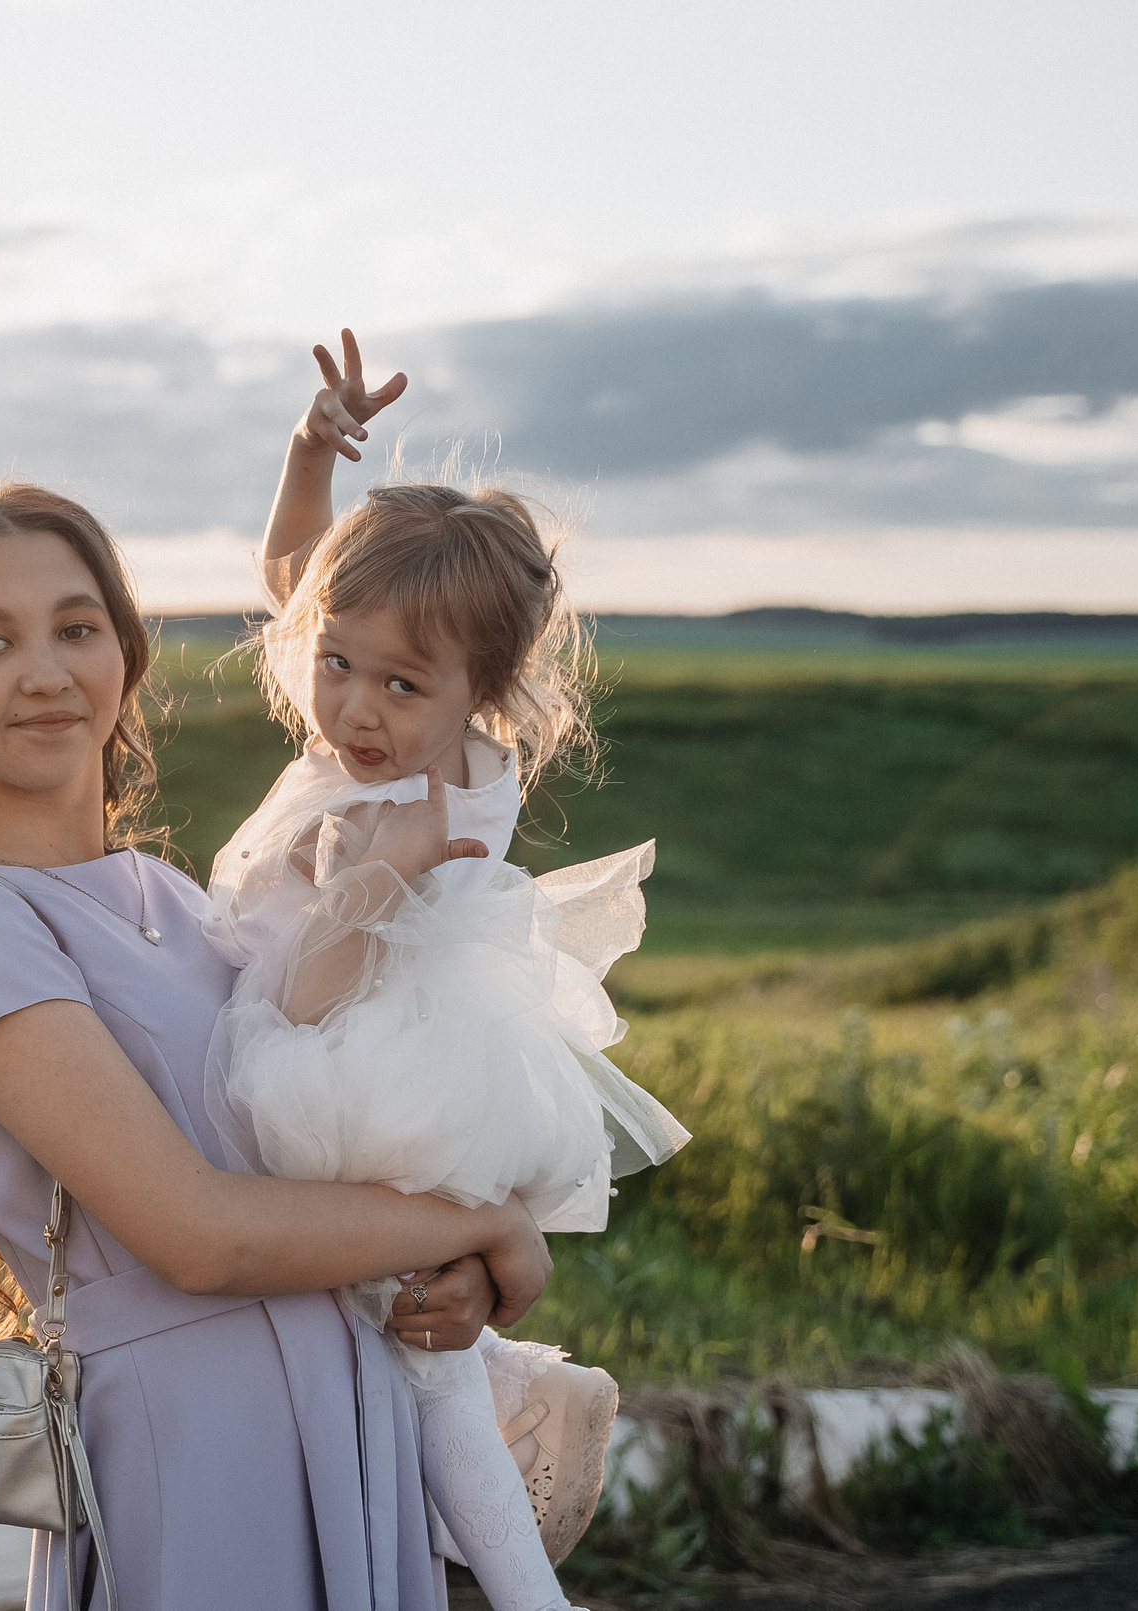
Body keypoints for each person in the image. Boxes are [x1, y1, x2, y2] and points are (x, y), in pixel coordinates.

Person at [0, 483, 554, 1610]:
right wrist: (486, 1222)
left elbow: (312, 1158)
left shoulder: (173, 896)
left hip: (348, 1410)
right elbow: (197, 1234)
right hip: (192, 1441)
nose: (46, 671)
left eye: (76, 629)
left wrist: (450, 1279)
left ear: (126, 656)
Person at [200, 332, 692, 1611]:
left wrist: (364, 873)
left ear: (488, 689)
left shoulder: (413, 820)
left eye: (400, 684)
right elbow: (290, 574)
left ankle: (525, 1563)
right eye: (335, 664)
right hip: (366, 1057)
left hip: (363, 1088)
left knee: (415, 1371)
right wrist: (311, 453)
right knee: (383, 1360)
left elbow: (311, 999)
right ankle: (503, 1416)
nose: (354, 709)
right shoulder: (394, 738)